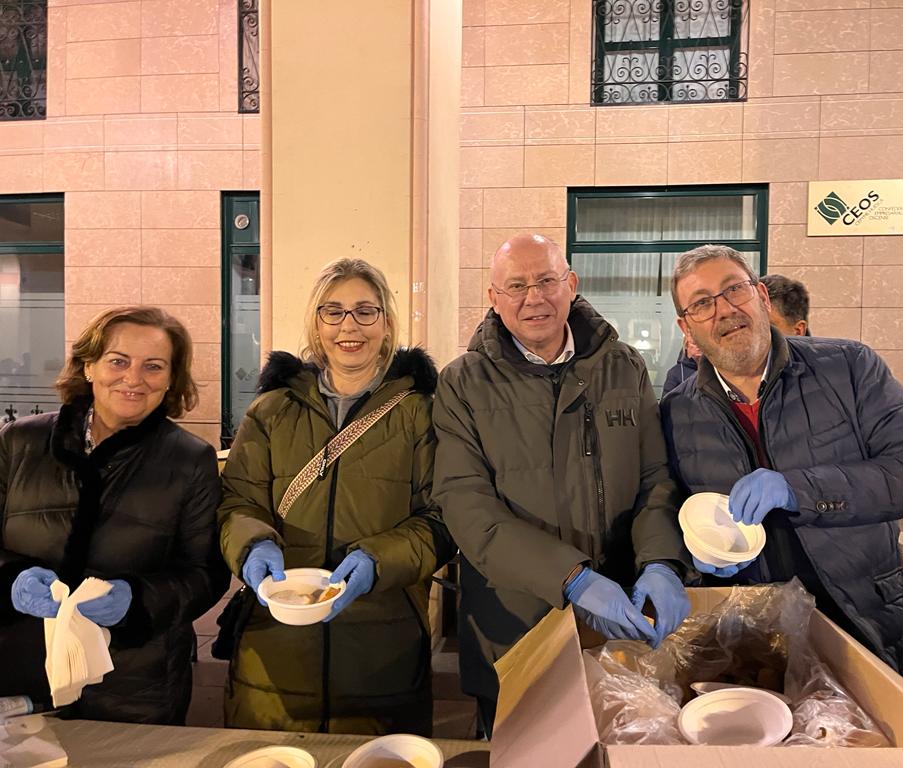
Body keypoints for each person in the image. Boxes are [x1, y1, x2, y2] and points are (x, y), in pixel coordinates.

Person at [433, 233, 691, 735]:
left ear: (571, 284)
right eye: (517, 286)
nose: (534, 297)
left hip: (619, 621)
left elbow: (654, 480)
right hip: (513, 629)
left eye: (547, 280)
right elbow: (465, 505)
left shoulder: (624, 366)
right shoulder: (463, 383)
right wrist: (570, 578)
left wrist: (661, 561)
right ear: (494, 298)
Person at [660, 245, 903, 685]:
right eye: (702, 303)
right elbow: (669, 508)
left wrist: (802, 489)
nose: (723, 310)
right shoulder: (676, 412)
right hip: (753, 642)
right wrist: (692, 561)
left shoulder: (848, 368)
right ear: (687, 327)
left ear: (760, 295)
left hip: (866, 625)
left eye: (733, 290)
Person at [218, 258, 455, 735]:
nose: (350, 326)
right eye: (334, 311)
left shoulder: (422, 415)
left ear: (386, 324)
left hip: (383, 646)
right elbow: (236, 503)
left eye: (365, 311)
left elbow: (443, 519)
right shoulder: (271, 410)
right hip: (275, 646)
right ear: (316, 323)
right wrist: (250, 545)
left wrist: (378, 559)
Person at [0, 306, 228, 723]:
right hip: (20, 674)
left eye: (153, 366)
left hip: (136, 685)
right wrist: (10, 581)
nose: (134, 378)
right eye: (118, 361)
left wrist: (137, 601)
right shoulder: (19, 442)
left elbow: (206, 574)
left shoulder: (191, 460)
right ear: (89, 366)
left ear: (170, 379)